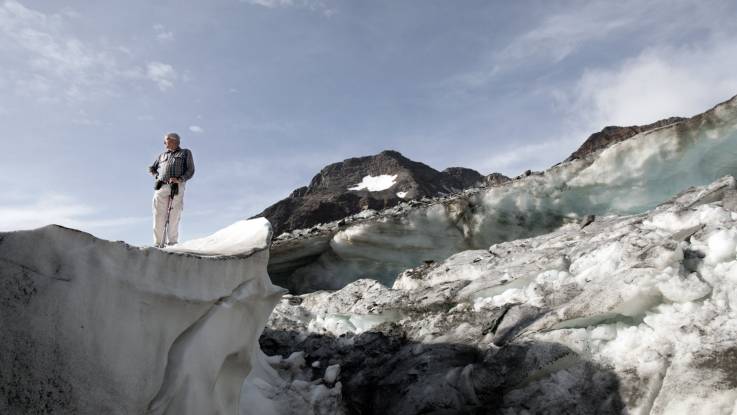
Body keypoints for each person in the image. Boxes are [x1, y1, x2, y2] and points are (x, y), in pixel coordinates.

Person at [148, 132, 195, 247]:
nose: (164, 143)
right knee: (158, 214)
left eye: (166, 140)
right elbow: (151, 168)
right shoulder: (162, 155)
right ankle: (158, 243)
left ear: (174, 140)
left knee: (174, 214)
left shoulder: (185, 152)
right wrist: (157, 176)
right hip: (161, 186)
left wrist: (180, 179)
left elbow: (190, 170)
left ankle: (172, 243)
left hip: (177, 185)